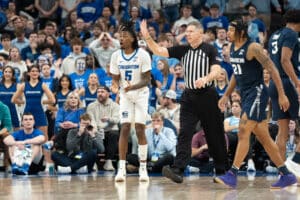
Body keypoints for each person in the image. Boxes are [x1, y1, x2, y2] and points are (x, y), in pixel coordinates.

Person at [141, 20, 228, 183]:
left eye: (190, 31)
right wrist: (147, 36)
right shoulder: (183, 50)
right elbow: (158, 50)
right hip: (189, 97)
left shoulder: (210, 49)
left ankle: (222, 169)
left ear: (200, 33)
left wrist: (206, 78)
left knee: (214, 133)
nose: (187, 34)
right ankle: (178, 169)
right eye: (186, 31)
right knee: (185, 132)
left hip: (208, 95)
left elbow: (217, 70)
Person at [214, 19, 296, 189]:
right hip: (246, 95)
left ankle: (232, 174)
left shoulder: (253, 48)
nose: (227, 33)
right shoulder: (232, 49)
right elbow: (237, 74)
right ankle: (287, 175)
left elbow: (273, 69)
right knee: (265, 138)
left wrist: (281, 94)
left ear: (241, 32)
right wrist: (226, 95)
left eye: (230, 30)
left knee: (244, 130)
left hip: (257, 93)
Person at [110, 21, 151, 182]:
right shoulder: (115, 56)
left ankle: (143, 168)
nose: (121, 39)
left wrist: (132, 86)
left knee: (140, 129)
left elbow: (147, 79)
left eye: (125, 36)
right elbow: (115, 80)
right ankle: (121, 169)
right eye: (120, 36)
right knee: (125, 127)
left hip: (140, 94)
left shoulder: (143, 55)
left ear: (133, 38)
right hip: (126, 95)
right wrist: (115, 88)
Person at [267, 10, 300, 178]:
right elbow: (284, 60)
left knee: (283, 132)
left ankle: (283, 174)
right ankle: (296, 165)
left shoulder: (275, 35)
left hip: (274, 83)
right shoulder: (291, 34)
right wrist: (297, 82)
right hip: (287, 83)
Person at [86, 85, 120, 171]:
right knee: (91, 133)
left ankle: (108, 162)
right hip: (96, 129)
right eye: (98, 92)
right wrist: (95, 129)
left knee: (114, 133)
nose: (100, 94)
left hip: (110, 129)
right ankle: (93, 162)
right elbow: (91, 120)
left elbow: (116, 120)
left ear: (108, 94)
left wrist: (108, 119)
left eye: (102, 92)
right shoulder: (91, 106)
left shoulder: (115, 105)